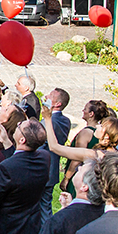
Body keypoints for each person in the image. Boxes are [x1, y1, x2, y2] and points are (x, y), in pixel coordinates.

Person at [61, 100, 110, 198]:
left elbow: (77, 158)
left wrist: (66, 178)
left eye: (85, 109)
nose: (83, 110)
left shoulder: (86, 133)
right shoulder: (100, 133)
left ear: (91, 114)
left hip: (80, 173)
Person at [41, 88, 72, 222]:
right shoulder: (65, 121)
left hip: (44, 168)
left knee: (43, 207)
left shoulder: (54, 121)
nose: (46, 96)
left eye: (50, 95)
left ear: (57, 104)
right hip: (51, 169)